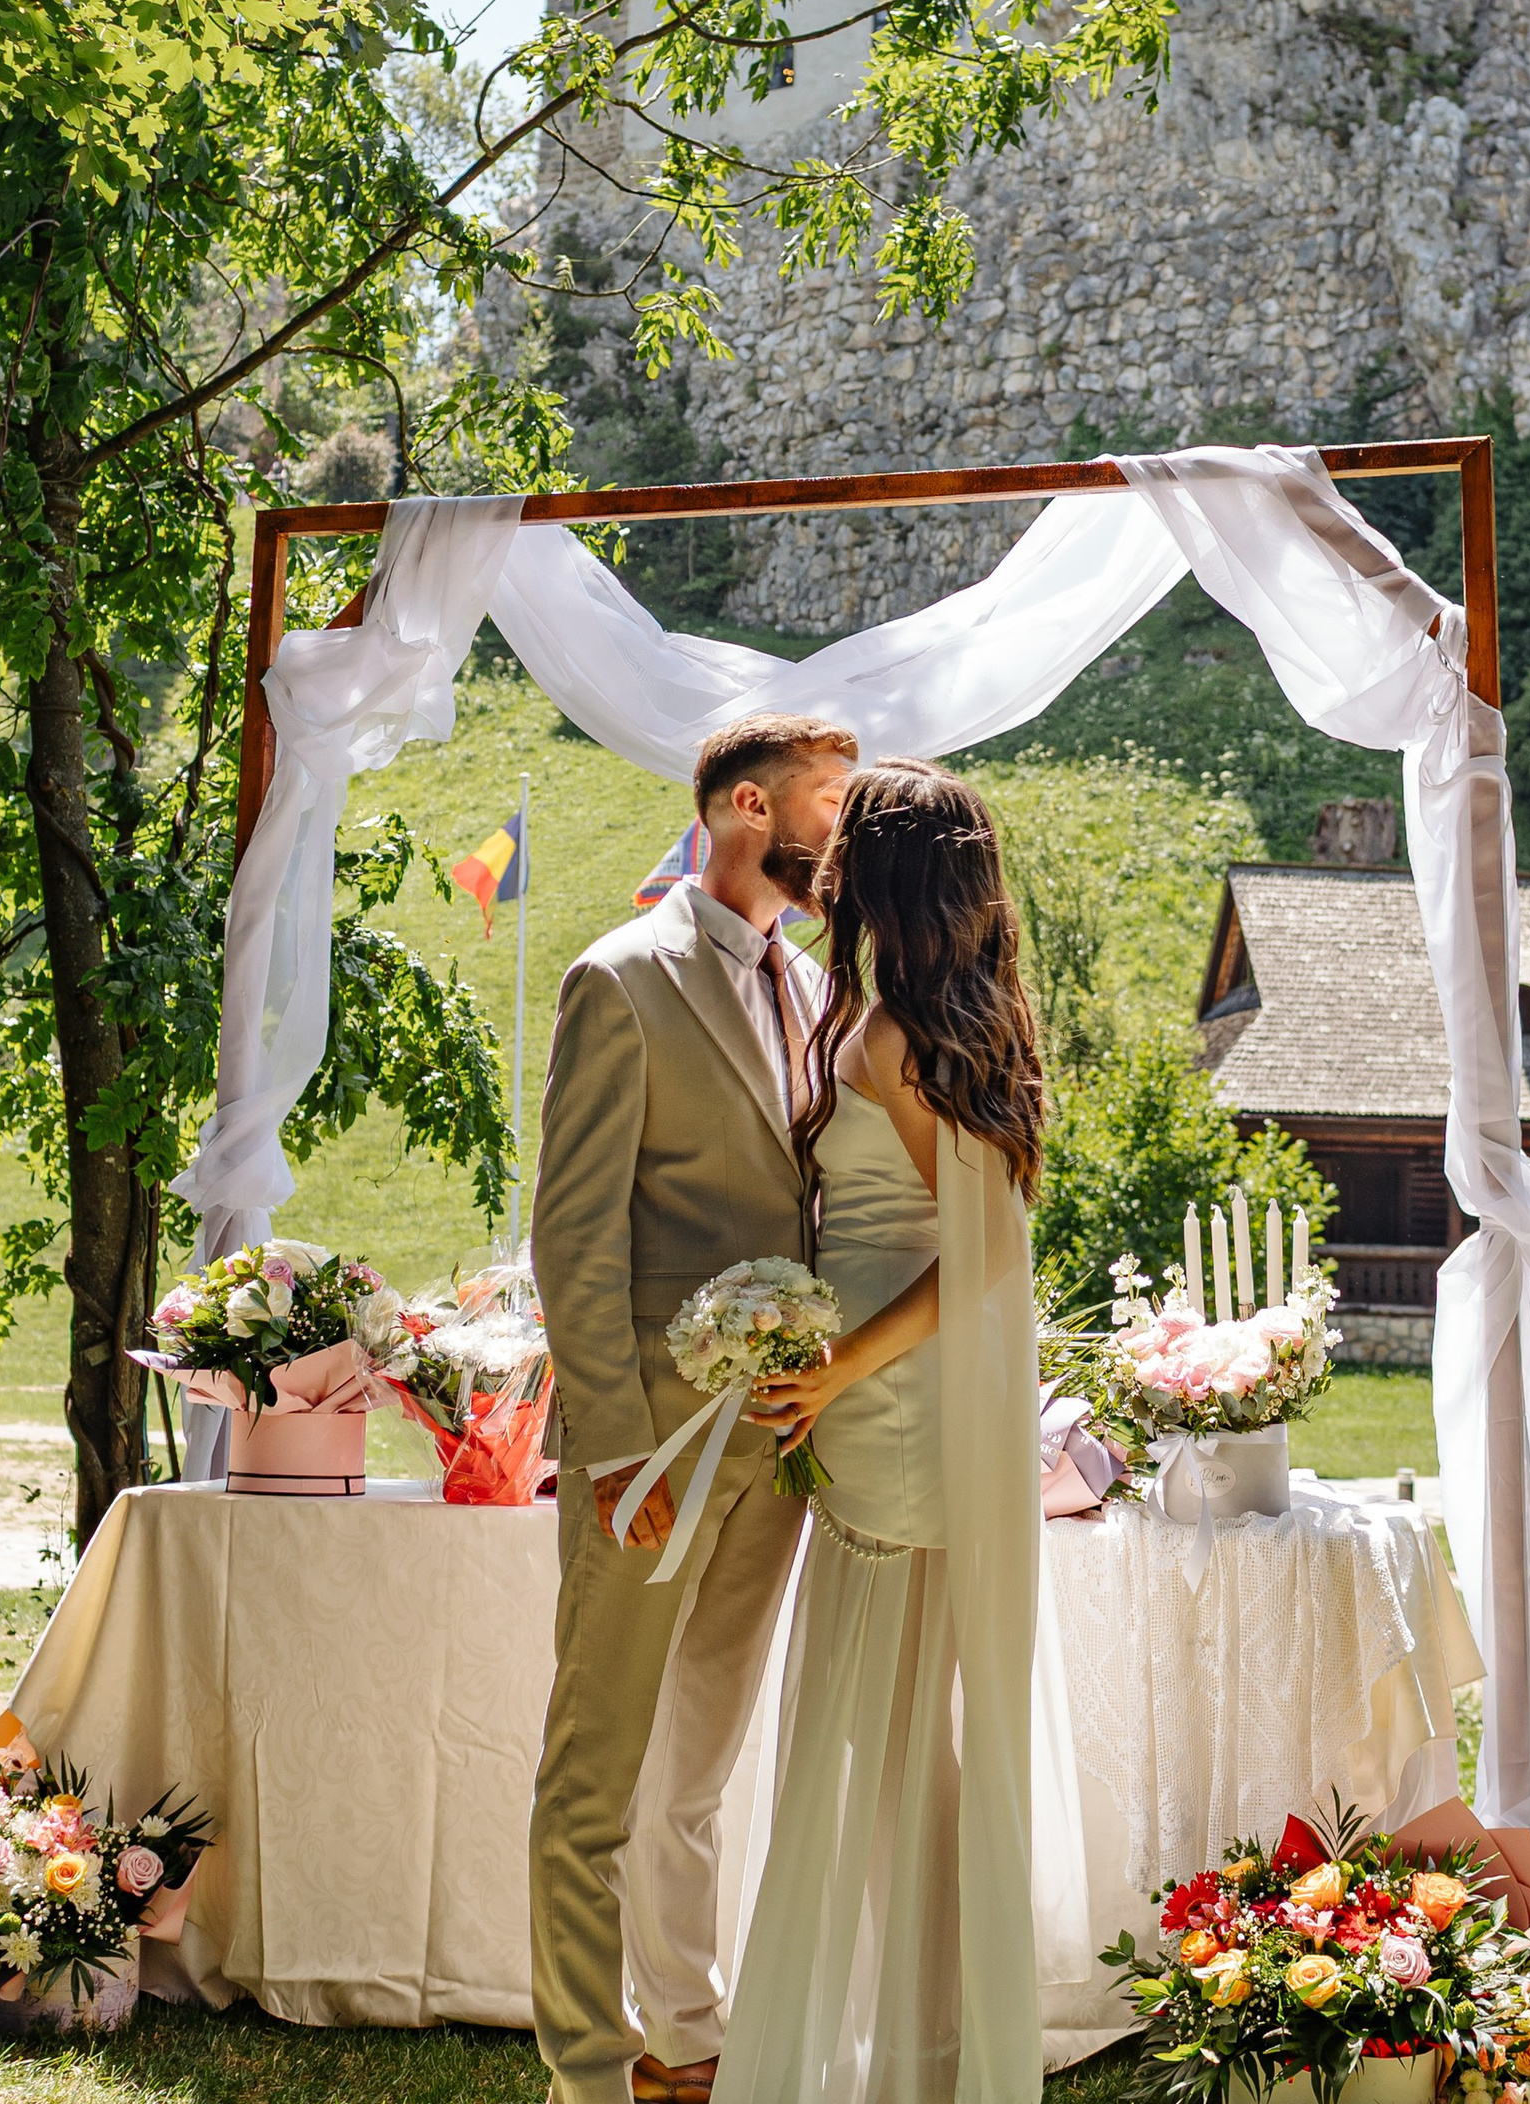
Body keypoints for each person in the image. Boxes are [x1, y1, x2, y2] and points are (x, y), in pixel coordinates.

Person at [529, 713, 858, 2104]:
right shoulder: (620, 980)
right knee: (594, 1780)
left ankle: (688, 2036)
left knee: (703, 1769)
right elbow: (572, 1237)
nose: (840, 835)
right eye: (825, 807)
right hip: (650, 1450)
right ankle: (589, 2073)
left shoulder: (819, 986)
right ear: (742, 807)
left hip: (775, 1455)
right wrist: (615, 1451)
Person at [720, 759, 1049, 2104]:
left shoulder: (905, 1041)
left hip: (897, 1419)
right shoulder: (907, 1016)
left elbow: (987, 1255)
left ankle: (918, 2059)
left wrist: (835, 1370)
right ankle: (919, 2046)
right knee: (894, 1747)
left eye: (844, 845)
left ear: (887, 879)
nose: (824, 857)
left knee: (895, 1742)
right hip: (876, 1411)